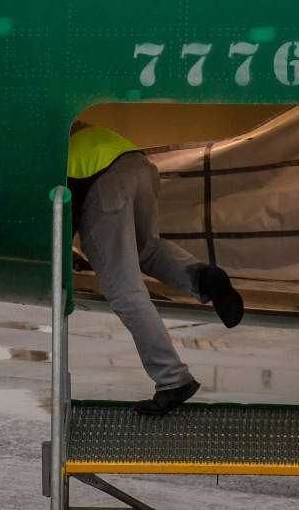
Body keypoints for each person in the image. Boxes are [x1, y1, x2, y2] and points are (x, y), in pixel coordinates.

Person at [67, 122, 244, 415]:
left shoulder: (52, 152)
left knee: (122, 288)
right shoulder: (80, 130)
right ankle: (202, 277)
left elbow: (63, 215)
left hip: (106, 181)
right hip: (140, 166)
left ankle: (172, 379)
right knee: (146, 249)